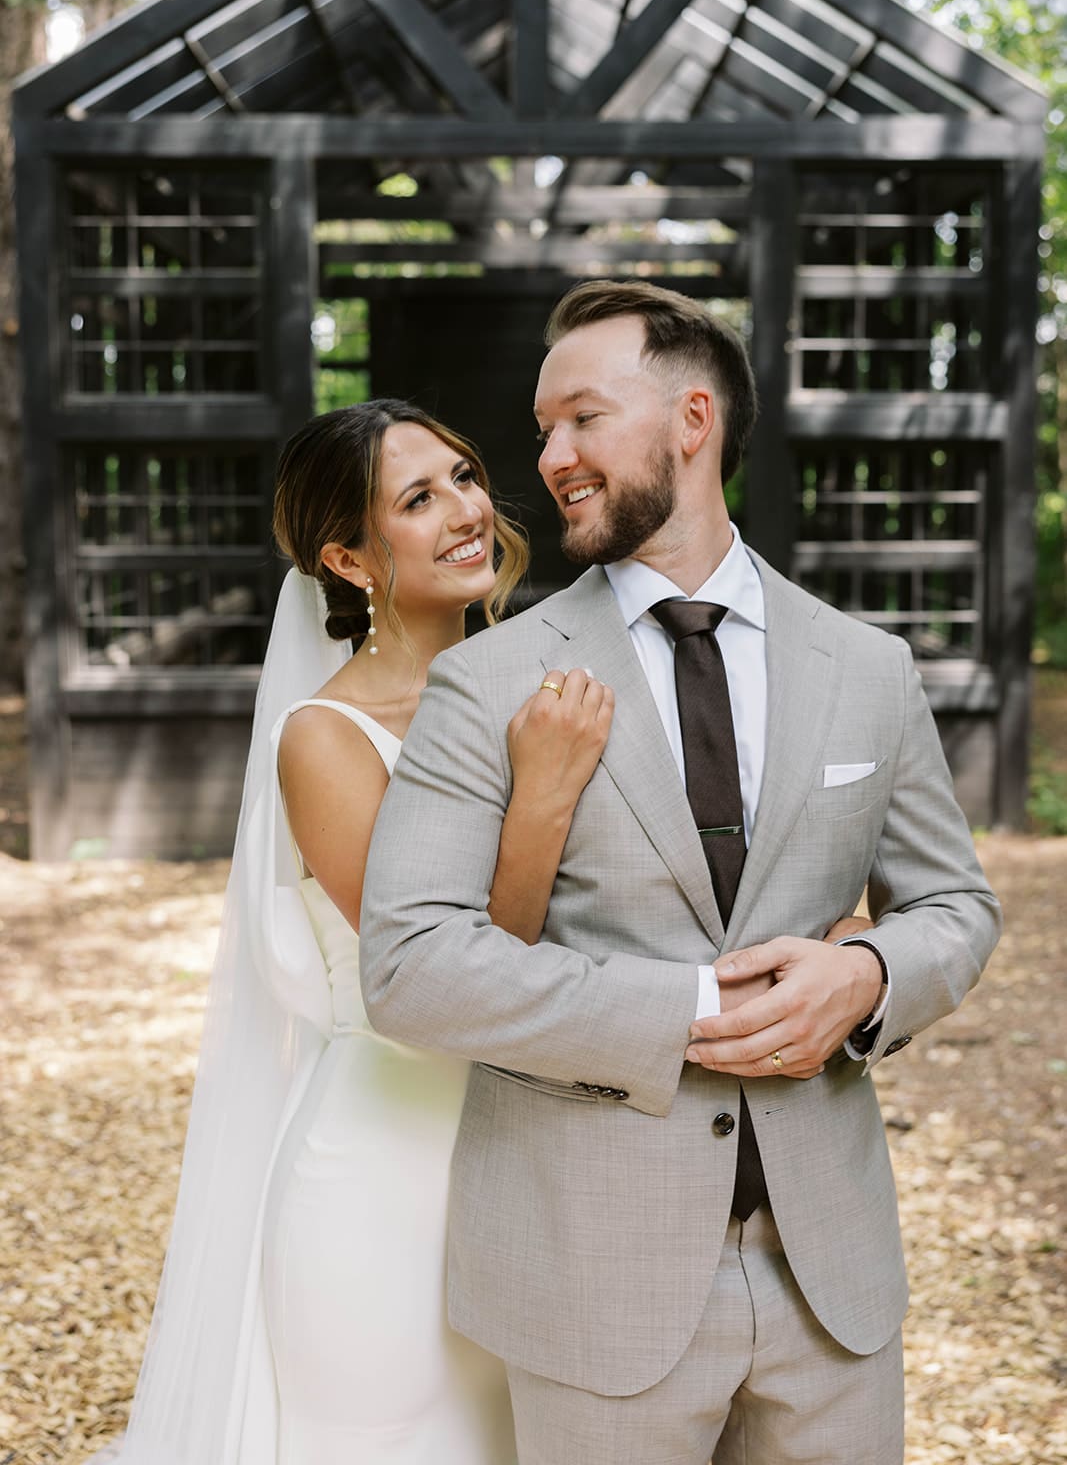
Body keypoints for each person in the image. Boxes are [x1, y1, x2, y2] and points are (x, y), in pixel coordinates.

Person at [359, 281, 1002, 1465]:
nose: (547, 457)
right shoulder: (488, 682)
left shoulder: (866, 666)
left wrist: (861, 976)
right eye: (542, 428)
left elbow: (955, 907)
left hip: (833, 1286)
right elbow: (409, 966)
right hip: (590, 1275)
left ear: (690, 420)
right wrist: (691, 1008)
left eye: (582, 419)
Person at [112, 398, 616, 1465]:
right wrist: (542, 795)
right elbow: (445, 977)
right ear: (347, 556)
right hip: (382, 1169)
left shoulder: (546, 687)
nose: (466, 510)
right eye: (418, 498)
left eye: (466, 477)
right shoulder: (324, 741)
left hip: (533, 1154)